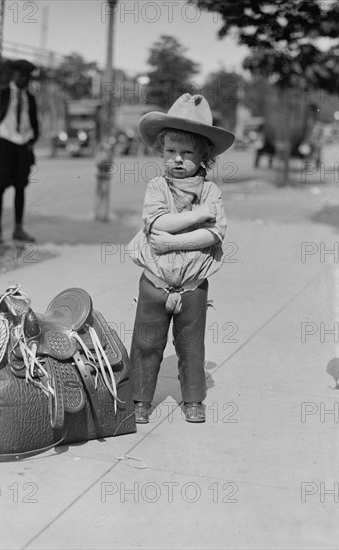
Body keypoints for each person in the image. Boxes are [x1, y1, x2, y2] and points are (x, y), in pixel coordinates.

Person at [128, 93, 235, 424]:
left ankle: (193, 399)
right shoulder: (157, 187)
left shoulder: (209, 192)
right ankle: (138, 399)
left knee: (191, 347)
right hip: (155, 282)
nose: (178, 159)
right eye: (171, 151)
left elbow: (214, 234)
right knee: (146, 343)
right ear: (161, 150)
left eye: (187, 152)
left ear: (205, 155)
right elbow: (158, 223)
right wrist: (196, 219)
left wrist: (173, 242)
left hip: (192, 285)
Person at [0, 59, 39, 243]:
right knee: (0, 187)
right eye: (21, 75)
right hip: (5, 144)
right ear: (14, 75)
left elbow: (34, 122)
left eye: (27, 76)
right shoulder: (3, 93)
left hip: (23, 146)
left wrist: (32, 139)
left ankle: (18, 229)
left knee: (21, 187)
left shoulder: (30, 97)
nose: (25, 79)